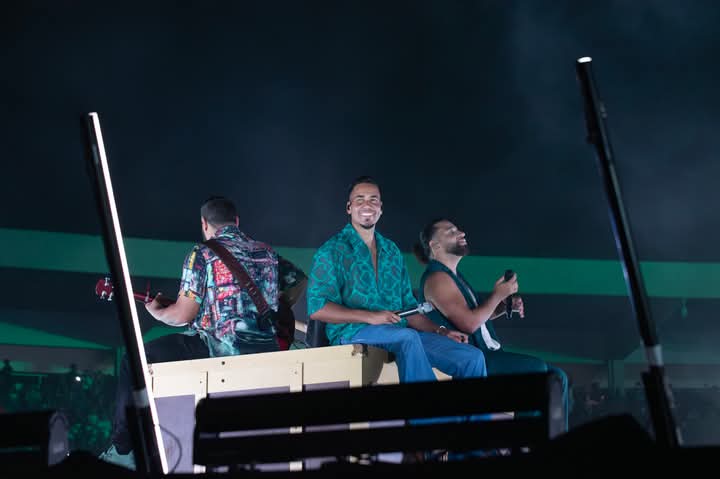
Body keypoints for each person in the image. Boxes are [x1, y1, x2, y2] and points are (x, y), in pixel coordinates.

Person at [100, 196, 307, 468]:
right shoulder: (265, 252)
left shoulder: (202, 254)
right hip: (265, 349)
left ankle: (123, 448)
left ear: (204, 224)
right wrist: (279, 308)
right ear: (236, 221)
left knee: (134, 360)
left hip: (218, 349)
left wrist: (157, 312)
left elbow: (182, 315)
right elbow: (299, 281)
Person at [306, 176, 487, 384]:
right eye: (360, 199)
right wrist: (371, 317)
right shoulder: (331, 250)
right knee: (407, 338)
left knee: (471, 357)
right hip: (352, 333)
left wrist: (441, 331)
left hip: (399, 334)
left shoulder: (391, 251)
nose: (367, 205)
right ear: (349, 207)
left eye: (373, 200)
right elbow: (317, 308)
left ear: (380, 208)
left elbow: (409, 309)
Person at [414, 218, 569, 431]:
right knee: (536, 371)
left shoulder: (454, 276)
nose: (461, 233)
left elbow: (476, 318)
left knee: (558, 377)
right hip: (475, 360)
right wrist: (497, 295)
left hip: (490, 354)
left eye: (458, 229)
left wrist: (502, 307)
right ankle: (528, 441)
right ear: (435, 245)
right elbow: (469, 324)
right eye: (451, 231)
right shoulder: (437, 278)